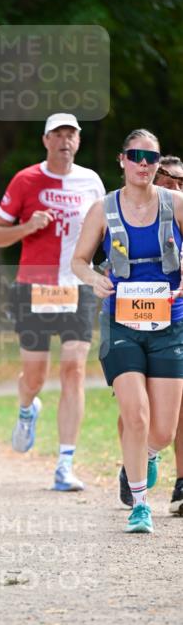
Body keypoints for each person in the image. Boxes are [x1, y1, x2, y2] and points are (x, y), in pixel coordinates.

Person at [0, 113, 105, 491]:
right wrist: (27, 227)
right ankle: (26, 409)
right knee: (35, 377)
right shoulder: (26, 180)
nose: (64, 141)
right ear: (45, 140)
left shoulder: (92, 183)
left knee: (73, 369)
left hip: (78, 287)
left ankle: (65, 463)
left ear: (79, 142)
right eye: (58, 134)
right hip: (33, 288)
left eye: (71, 134)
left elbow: (106, 231)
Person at [72, 129, 183, 533]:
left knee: (164, 430)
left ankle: (147, 456)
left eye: (151, 158)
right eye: (135, 156)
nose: (143, 164)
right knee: (134, 413)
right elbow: (80, 261)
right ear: (122, 160)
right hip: (120, 321)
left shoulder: (176, 203)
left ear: (158, 164)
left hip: (170, 322)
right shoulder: (103, 210)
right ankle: (140, 505)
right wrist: (93, 279)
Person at [116, 154, 183, 515]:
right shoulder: (134, 211)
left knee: (170, 418)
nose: (173, 187)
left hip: (176, 319)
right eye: (167, 179)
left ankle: (163, 466)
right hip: (131, 320)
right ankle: (134, 468)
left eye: (180, 182)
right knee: (134, 408)